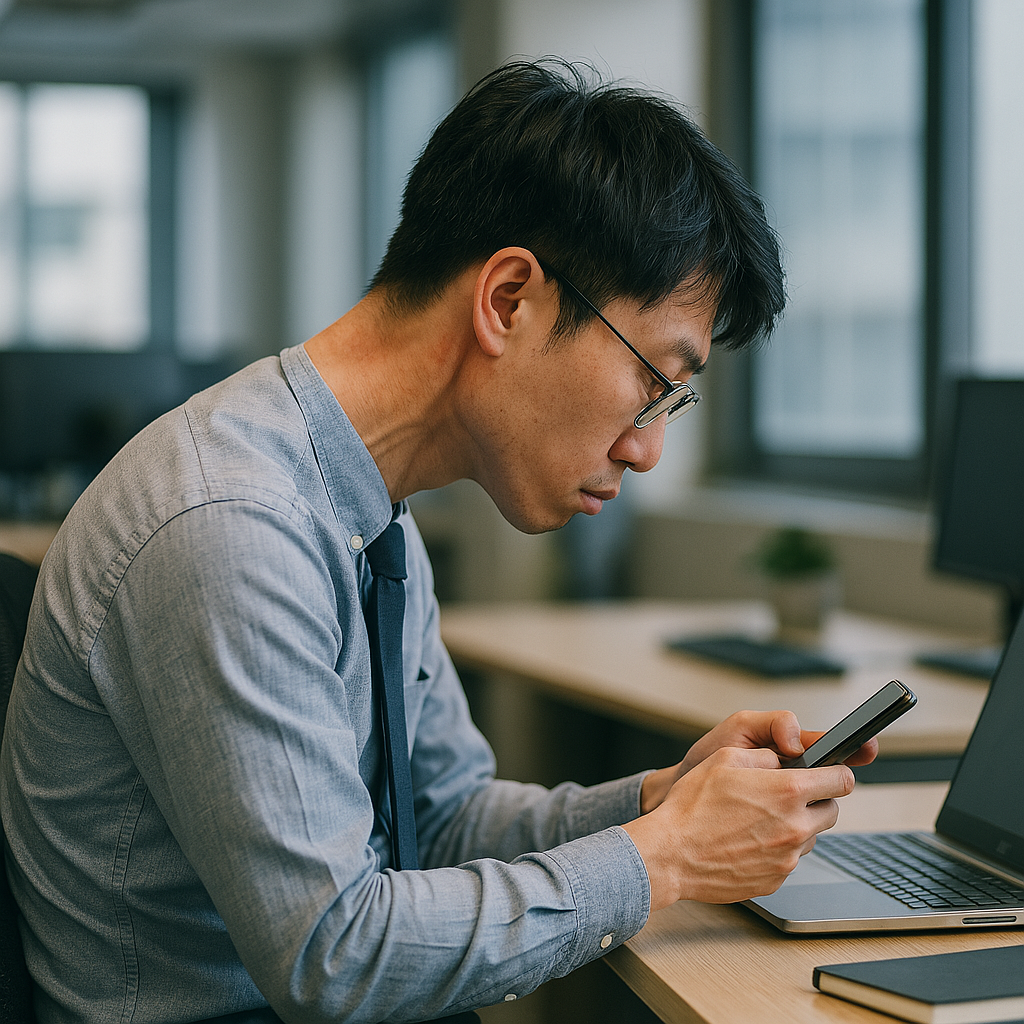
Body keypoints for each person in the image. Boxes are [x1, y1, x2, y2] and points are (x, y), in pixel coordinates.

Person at [0, 61, 873, 1024]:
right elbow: (334, 955)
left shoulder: (367, 508)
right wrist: (665, 859)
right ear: (508, 300)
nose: (647, 448)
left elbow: (441, 818)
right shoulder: (228, 523)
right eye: (654, 383)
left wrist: (662, 805)